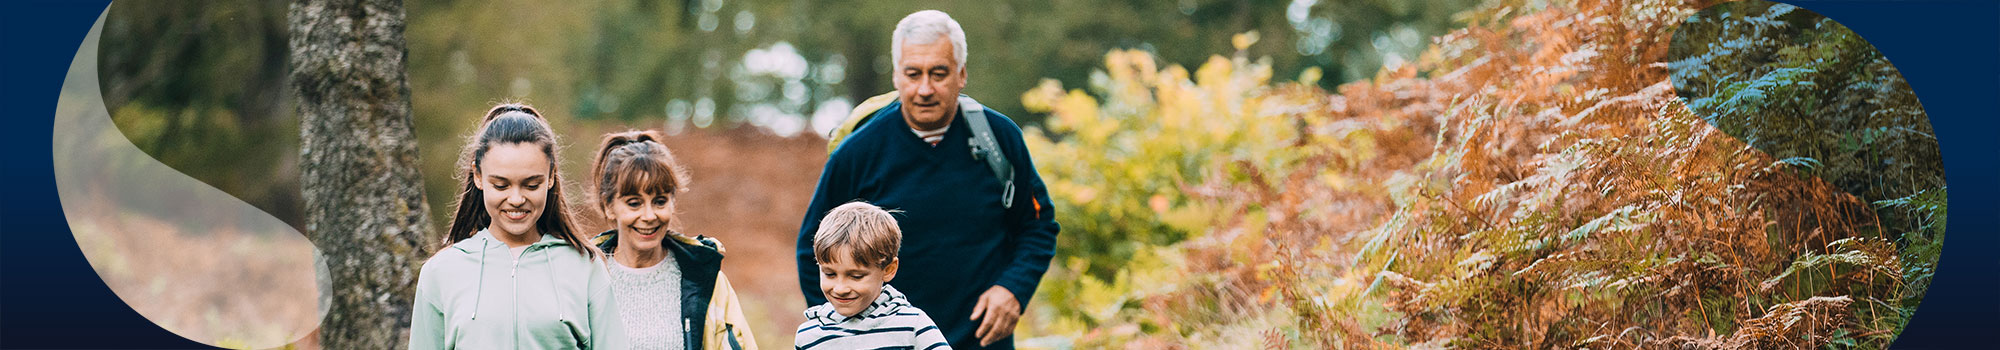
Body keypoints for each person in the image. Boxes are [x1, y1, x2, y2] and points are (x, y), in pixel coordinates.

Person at [795, 10, 1060, 349]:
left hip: (980, 339)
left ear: (961, 74)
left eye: (939, 73)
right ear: (895, 76)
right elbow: (812, 249)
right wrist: (838, 335)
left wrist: (1013, 289)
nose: (924, 89)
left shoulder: (1000, 140)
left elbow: (1038, 226)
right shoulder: (858, 152)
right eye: (913, 73)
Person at [409, 104, 627, 349]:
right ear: (478, 176)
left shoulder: (585, 268)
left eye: (531, 185)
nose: (516, 199)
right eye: (501, 185)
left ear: (551, 176)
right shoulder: (440, 273)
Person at [587, 130, 758, 350]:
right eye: (634, 203)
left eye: (659, 201)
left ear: (673, 201)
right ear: (609, 206)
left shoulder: (704, 280)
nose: (649, 216)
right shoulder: (584, 276)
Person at [795, 202, 951, 350]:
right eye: (830, 274)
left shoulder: (911, 325)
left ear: (888, 269)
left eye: (856, 276)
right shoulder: (809, 336)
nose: (841, 288)